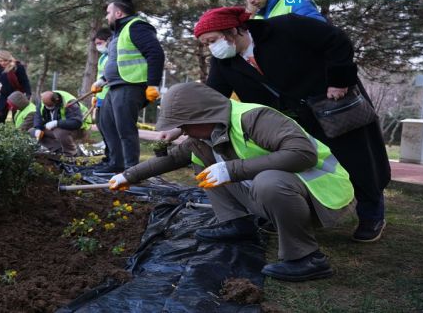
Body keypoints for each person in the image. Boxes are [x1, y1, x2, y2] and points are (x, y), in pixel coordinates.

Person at [109, 82, 355, 282]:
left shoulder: (255, 118)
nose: (182, 131)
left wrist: (233, 169)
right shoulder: (206, 135)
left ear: (202, 116)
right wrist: (128, 176)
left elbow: (303, 154)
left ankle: (307, 258)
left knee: (268, 181)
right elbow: (171, 159)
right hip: (283, 195)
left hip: (320, 194)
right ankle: (237, 224)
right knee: (204, 165)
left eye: (185, 125)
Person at [187, 6, 389, 242]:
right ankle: (294, 215)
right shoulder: (225, 63)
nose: (212, 48)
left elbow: (337, 41)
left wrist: (339, 80)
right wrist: (184, 121)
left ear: (233, 30)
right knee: (304, 165)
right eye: (206, 44)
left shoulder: (286, 27)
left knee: (359, 159)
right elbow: (214, 96)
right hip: (294, 121)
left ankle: (371, 214)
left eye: (212, 40)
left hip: (333, 104)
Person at [93, 0, 165, 176]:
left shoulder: (137, 27)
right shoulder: (118, 34)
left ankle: (131, 170)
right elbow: (115, 62)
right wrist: (102, 81)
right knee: (106, 124)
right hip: (115, 86)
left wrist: (153, 84)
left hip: (130, 85)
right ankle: (115, 163)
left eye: (108, 12)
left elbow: (155, 53)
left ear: (118, 13)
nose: (106, 17)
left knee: (125, 128)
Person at [32, 90, 91, 156]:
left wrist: (56, 123)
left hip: (80, 129)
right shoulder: (43, 101)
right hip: (58, 128)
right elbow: (38, 116)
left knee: (59, 132)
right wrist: (38, 128)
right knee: (32, 131)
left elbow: (76, 123)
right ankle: (59, 150)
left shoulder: (70, 103)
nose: (48, 108)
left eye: (50, 106)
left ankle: (71, 154)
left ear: (57, 100)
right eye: (46, 106)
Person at [0, 50, 32, 124]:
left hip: (17, 95)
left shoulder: (18, 67)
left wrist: (28, 93)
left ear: (10, 59)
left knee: (16, 117)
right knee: (0, 115)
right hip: (4, 94)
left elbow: (25, 81)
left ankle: (17, 133)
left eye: (5, 60)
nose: (3, 63)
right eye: (0, 61)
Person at [90, 28, 112, 164]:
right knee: (100, 124)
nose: (98, 46)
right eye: (96, 44)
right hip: (101, 96)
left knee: (108, 127)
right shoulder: (103, 57)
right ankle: (108, 154)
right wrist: (96, 96)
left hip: (110, 95)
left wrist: (101, 83)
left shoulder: (112, 56)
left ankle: (112, 157)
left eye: (100, 43)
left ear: (108, 40)